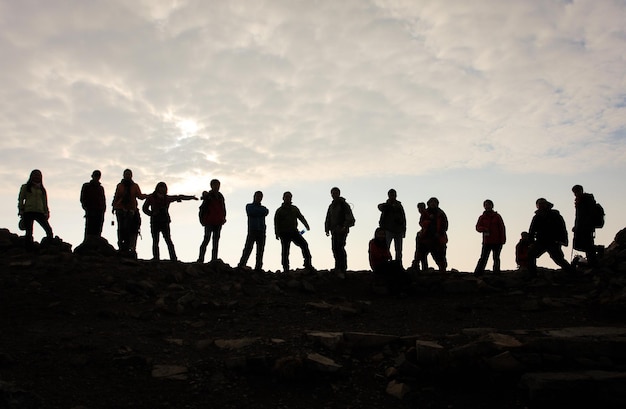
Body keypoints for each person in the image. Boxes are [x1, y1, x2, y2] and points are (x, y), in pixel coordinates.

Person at [142, 182, 197, 261]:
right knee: (156, 240)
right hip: (155, 221)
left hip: (164, 221)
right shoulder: (151, 197)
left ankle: (173, 258)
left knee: (168, 240)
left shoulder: (166, 198)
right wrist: (152, 214)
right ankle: (156, 257)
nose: (162, 189)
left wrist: (191, 197)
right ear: (157, 188)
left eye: (163, 187)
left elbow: (179, 197)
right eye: (161, 187)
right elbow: (144, 208)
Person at [527, 198, 573, 278]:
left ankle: (572, 272)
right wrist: (531, 242)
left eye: (542, 203)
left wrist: (562, 240)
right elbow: (532, 230)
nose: (541, 205)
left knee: (558, 259)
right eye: (539, 204)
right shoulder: (537, 217)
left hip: (553, 241)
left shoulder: (555, 215)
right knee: (531, 255)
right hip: (541, 241)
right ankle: (532, 275)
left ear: (546, 204)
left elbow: (562, 228)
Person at [274, 191, 314, 272]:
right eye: (286, 197)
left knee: (304, 244)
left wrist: (306, 225)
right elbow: (276, 222)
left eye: (289, 197)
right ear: (283, 198)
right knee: (285, 251)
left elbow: (300, 217)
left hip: (294, 232)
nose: (288, 198)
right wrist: (277, 233)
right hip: (284, 233)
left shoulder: (294, 209)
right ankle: (286, 268)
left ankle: (308, 264)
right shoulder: (280, 210)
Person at [112, 169, 147, 257]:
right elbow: (116, 196)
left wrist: (147, 196)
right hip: (120, 209)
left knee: (128, 228)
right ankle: (121, 246)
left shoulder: (134, 186)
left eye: (129, 174)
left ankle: (126, 247)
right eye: (126, 174)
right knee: (121, 228)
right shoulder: (120, 186)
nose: (128, 176)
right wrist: (114, 206)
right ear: (124, 175)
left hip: (130, 210)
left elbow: (139, 196)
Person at [17, 169, 54, 249]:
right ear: (31, 176)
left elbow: (45, 202)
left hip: (39, 211)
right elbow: (21, 199)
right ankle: (28, 249)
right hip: (28, 211)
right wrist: (21, 209)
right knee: (29, 231)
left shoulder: (42, 190)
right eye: (35, 175)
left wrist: (46, 211)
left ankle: (50, 245)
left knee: (48, 229)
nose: (37, 177)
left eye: (39, 175)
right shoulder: (25, 187)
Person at [324, 187, 356, 276]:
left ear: (339, 193)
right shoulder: (331, 206)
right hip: (334, 230)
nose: (334, 195)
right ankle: (337, 266)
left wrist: (344, 226)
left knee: (340, 247)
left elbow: (350, 218)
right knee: (335, 248)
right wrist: (327, 229)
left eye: (336, 193)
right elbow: (328, 218)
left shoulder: (344, 205)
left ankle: (342, 267)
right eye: (333, 193)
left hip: (342, 229)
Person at [369, 227, 410, 294]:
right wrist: (384, 256)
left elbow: (388, 255)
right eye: (380, 234)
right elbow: (377, 255)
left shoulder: (384, 243)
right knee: (395, 267)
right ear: (376, 234)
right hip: (377, 266)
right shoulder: (373, 243)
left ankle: (403, 285)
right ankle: (400, 288)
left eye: (383, 234)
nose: (381, 236)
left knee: (396, 265)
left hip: (384, 263)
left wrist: (385, 256)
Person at [473, 199, 506, 276]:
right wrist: (483, 229)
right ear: (484, 206)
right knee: (483, 257)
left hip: (497, 241)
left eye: (489, 205)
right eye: (486, 205)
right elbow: (477, 227)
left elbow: (502, 228)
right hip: (487, 241)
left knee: (496, 258)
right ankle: (478, 272)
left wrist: (503, 239)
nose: (487, 206)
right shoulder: (482, 217)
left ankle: (496, 272)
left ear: (492, 206)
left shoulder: (497, 216)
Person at [238, 191, 269, 271]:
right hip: (253, 230)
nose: (259, 198)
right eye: (257, 196)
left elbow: (266, 212)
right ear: (254, 196)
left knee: (260, 250)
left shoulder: (263, 208)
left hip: (261, 231)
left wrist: (258, 212)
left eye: (260, 197)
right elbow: (251, 212)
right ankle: (242, 264)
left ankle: (258, 267)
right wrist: (260, 212)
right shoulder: (249, 206)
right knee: (248, 248)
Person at [197, 179, 226, 263]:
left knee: (215, 242)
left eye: (218, 185)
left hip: (218, 222)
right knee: (207, 239)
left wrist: (223, 217)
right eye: (215, 185)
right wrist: (202, 220)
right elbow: (202, 208)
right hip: (209, 221)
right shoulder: (208, 196)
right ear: (211, 186)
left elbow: (223, 208)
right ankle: (201, 259)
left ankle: (214, 259)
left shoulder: (220, 197)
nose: (217, 187)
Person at [377, 189, 406, 266]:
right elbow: (380, 207)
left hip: (398, 230)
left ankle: (398, 264)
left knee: (398, 250)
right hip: (388, 230)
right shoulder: (386, 205)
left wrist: (403, 230)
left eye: (393, 195)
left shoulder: (399, 206)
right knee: (386, 248)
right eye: (391, 195)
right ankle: (385, 264)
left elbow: (403, 218)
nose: (392, 196)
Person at [571, 185, 598, 267]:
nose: (575, 194)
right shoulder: (582, 200)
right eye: (574, 192)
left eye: (576, 192)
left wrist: (579, 226)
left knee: (587, 244)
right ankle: (592, 260)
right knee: (584, 244)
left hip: (586, 227)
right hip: (583, 227)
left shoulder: (585, 200)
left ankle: (592, 261)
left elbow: (584, 216)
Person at [421, 197, 449, 272]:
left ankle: (442, 269)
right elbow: (421, 222)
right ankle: (424, 269)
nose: (433, 204)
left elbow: (445, 224)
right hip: (427, 236)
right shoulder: (426, 213)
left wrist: (439, 233)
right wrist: (428, 222)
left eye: (435, 202)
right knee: (423, 253)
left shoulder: (440, 213)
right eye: (431, 202)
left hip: (438, 237)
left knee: (439, 254)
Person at [80, 170, 106, 238]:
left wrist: (103, 210)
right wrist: (86, 208)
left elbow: (103, 199)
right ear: (92, 176)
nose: (97, 177)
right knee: (89, 229)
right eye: (95, 175)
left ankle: (96, 244)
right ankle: (88, 244)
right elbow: (83, 198)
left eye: (98, 176)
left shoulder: (101, 188)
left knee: (98, 229)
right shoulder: (86, 186)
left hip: (99, 211)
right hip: (90, 210)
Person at [412, 202, 430, 272]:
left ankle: (420, 267)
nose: (420, 209)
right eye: (419, 208)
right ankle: (422, 267)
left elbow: (427, 225)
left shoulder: (426, 214)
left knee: (421, 253)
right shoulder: (424, 215)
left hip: (426, 237)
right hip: (424, 236)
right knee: (422, 254)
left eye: (421, 208)